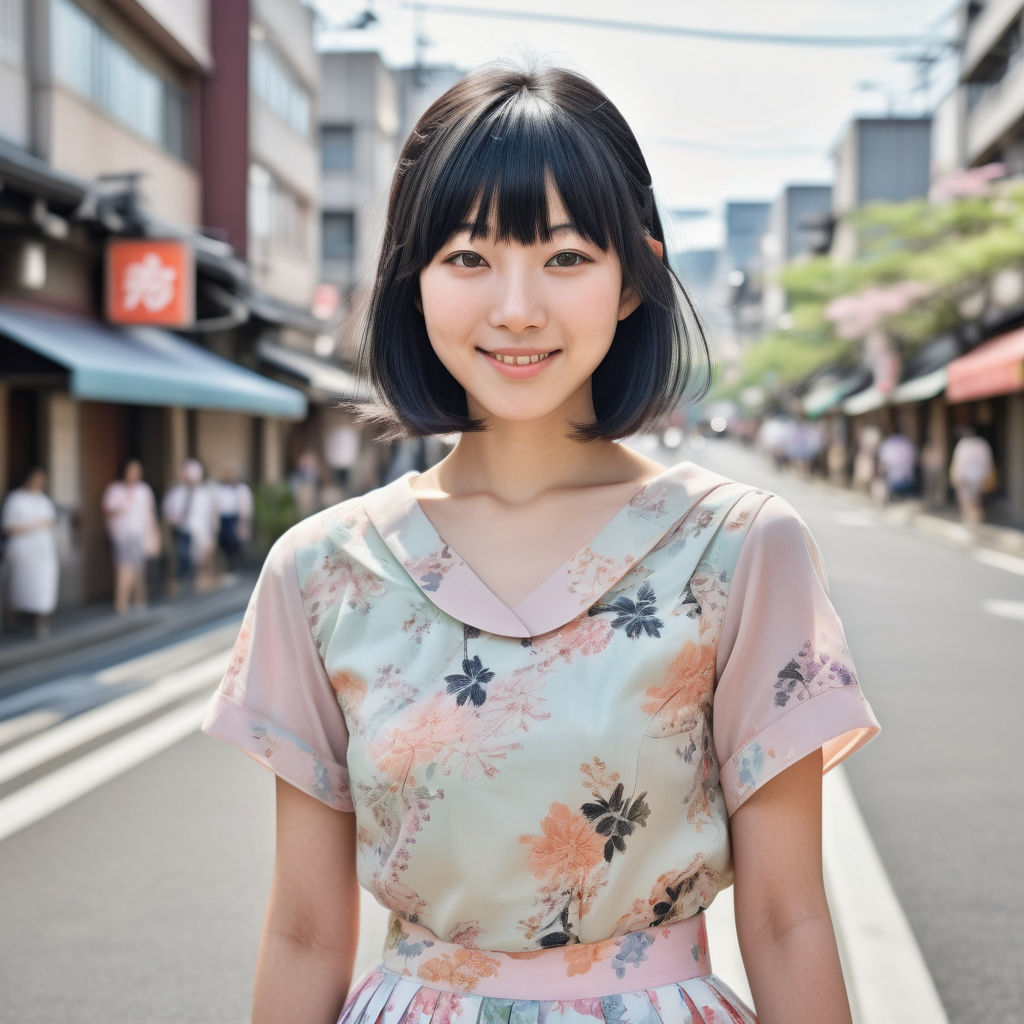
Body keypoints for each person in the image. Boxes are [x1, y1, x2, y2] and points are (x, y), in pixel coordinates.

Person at [201, 65, 880, 1024]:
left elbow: (787, 920)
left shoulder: (737, 548)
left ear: (635, 277)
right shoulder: (323, 571)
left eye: (565, 258)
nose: (517, 308)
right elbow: (306, 933)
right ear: (413, 279)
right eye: (468, 259)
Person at [1, 468, 59, 637]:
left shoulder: (44, 501)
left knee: (43, 586)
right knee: (17, 585)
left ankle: (42, 623)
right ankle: (11, 621)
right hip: (22, 550)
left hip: (43, 551)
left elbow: (51, 524)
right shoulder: (15, 499)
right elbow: (8, 528)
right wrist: (34, 525)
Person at [102, 458, 160, 613]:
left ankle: (139, 600)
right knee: (124, 567)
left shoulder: (144, 490)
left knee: (139, 568)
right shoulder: (115, 489)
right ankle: (121, 603)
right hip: (123, 534)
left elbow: (150, 513)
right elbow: (107, 509)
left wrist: (154, 535)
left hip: (140, 533)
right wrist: (120, 509)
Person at [162, 459, 219, 595]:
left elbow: (212, 516)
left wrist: (213, 535)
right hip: (183, 533)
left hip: (202, 533)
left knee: (203, 563)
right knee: (182, 563)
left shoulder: (206, 493)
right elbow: (167, 514)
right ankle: (179, 590)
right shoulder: (175, 493)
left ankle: (203, 590)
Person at [949, 428, 996, 527]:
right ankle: (976, 521)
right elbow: (988, 462)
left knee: (966, 501)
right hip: (979, 477)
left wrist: (956, 476)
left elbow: (958, 463)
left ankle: (969, 522)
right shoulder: (983, 444)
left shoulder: (963, 444)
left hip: (965, 477)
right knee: (976, 501)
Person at [216, 463, 254, 575]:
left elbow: (247, 505)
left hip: (236, 518)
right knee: (224, 542)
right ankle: (228, 564)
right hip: (224, 518)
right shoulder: (221, 488)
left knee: (235, 541)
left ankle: (235, 565)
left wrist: (245, 520)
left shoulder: (241, 488)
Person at [875, 429, 917, 504]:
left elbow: (883, 462)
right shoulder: (907, 443)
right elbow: (913, 461)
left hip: (894, 481)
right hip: (906, 479)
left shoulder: (888, 444)